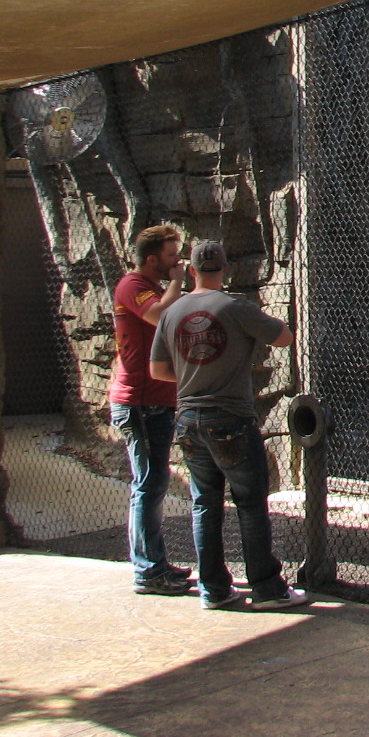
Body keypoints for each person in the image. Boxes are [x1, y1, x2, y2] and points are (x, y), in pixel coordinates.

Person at [150, 239, 307, 610]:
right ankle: (267, 588)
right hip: (230, 417)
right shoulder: (236, 307)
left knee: (205, 503)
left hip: (188, 418)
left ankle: (214, 589)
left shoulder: (172, 313)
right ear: (225, 270)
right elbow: (284, 338)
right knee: (250, 502)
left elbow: (157, 369)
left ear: (191, 270)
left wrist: (196, 375)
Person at [109, 223, 193, 596]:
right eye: (171, 256)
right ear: (151, 259)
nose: (177, 262)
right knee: (147, 484)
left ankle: (155, 563)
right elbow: (158, 315)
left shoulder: (154, 288)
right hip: (139, 403)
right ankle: (147, 571)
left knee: (155, 483)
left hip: (157, 401)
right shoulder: (133, 285)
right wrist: (177, 283)